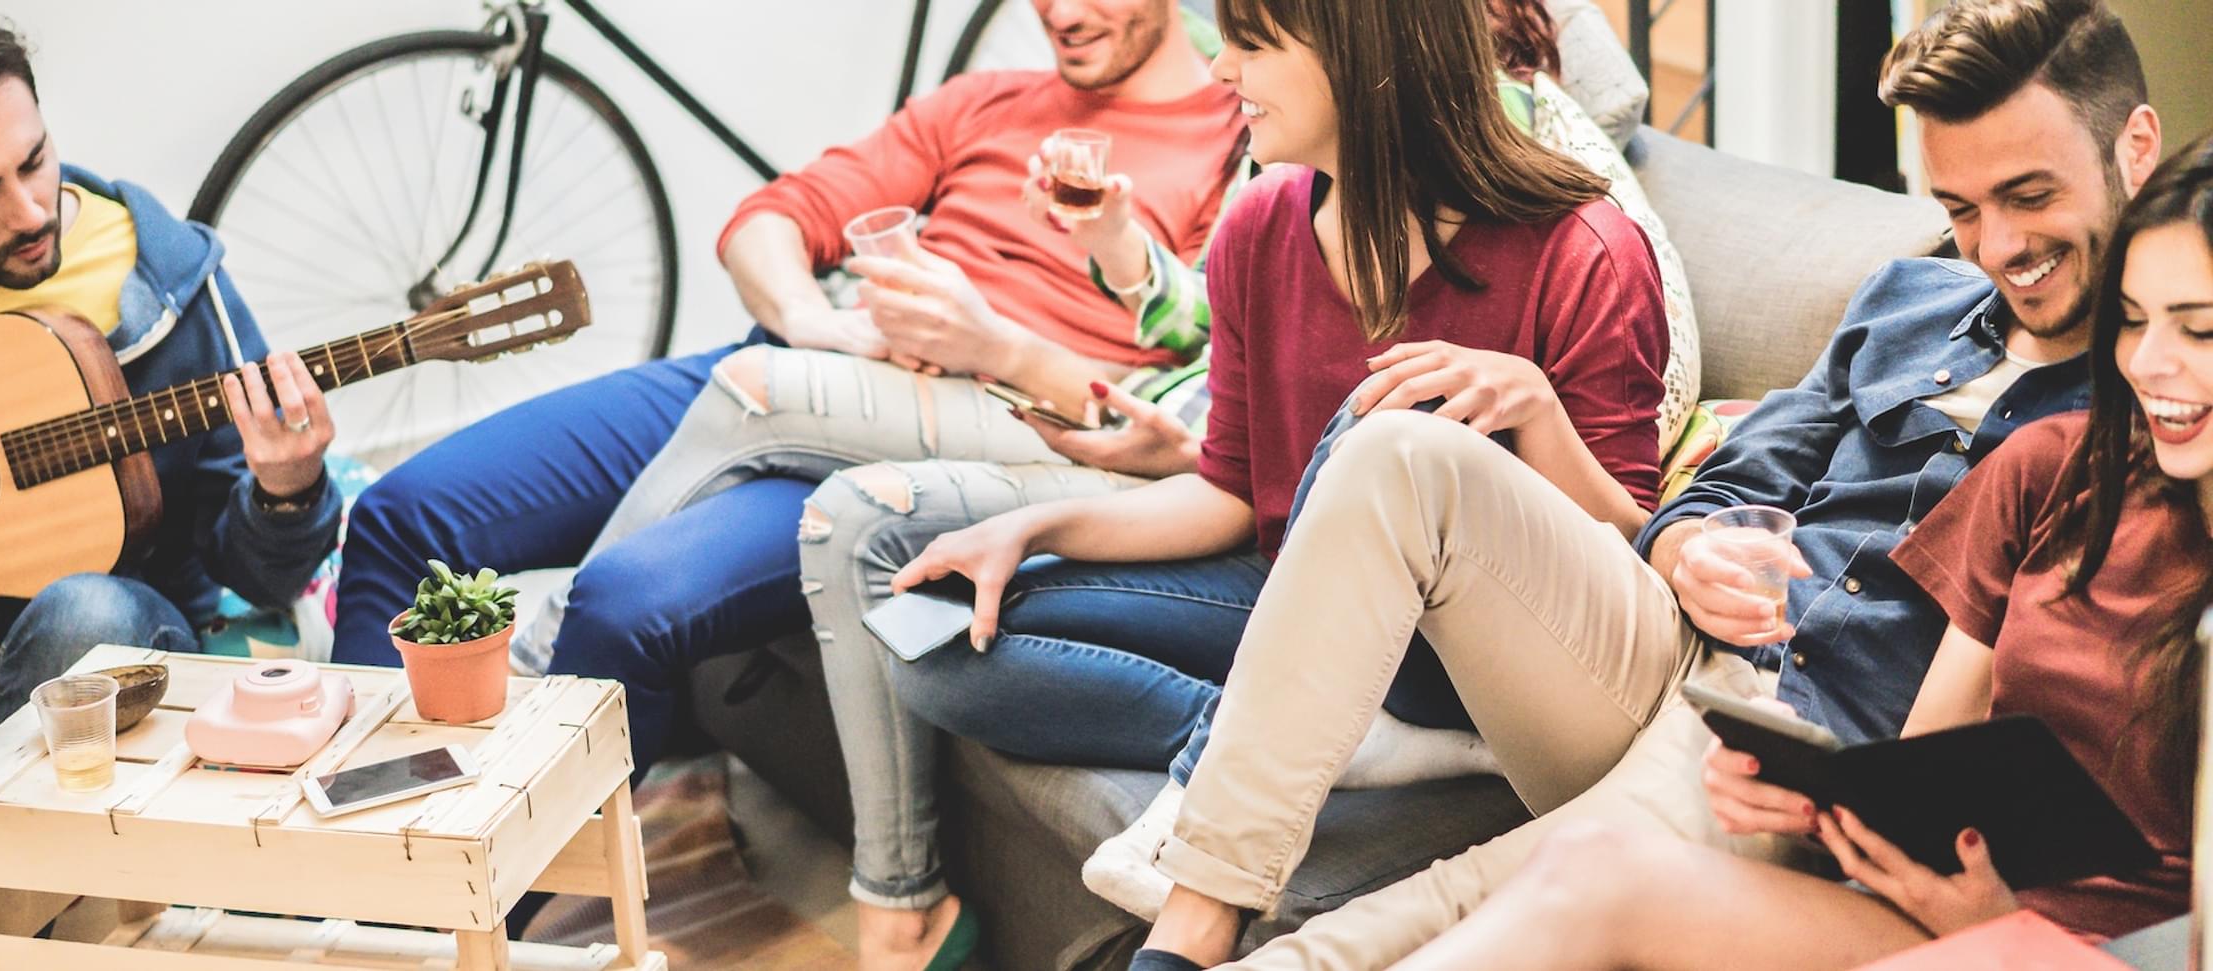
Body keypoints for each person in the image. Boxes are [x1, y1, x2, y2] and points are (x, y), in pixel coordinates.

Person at [1107, 1, 2163, 967]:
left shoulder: (2155, 406)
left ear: (2136, 148)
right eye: (1962, 208)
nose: (2002, 247)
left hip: (1809, 757)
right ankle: (1199, 905)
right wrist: (1685, 547)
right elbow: (1729, 482)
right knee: (1397, 450)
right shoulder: (1907, 300)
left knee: (1446, 905)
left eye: (2030, 196)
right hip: (1675, 653)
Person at [799, 1, 1692, 965]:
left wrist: (1536, 412)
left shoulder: (1584, 247)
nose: (1219, 70)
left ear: (1363, 57)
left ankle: (1291, 752)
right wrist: (1035, 528)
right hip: (1293, 598)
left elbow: (1630, 557)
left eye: (1252, 45)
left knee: (1376, 426)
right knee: (933, 638)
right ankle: (1326, 740)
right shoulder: (1262, 223)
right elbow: (1229, 489)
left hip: (1472, 655)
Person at [327, 0, 1246, 780]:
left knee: (616, 608)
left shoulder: (1234, 140)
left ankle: (474, 890)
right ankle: (353, 837)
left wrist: (995, 346)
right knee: (402, 513)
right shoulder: (987, 100)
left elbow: (1189, 409)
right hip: (785, 368)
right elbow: (772, 217)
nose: (1063, 12)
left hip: (942, 431)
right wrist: (816, 321)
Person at [1397, 130, 2212, 970]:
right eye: (2134, 320)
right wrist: (1812, 803)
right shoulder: (2048, 470)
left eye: (2201, 331)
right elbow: (1919, 778)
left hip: (2087, 952)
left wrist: (1993, 923)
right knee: (1588, 869)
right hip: (1928, 910)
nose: (2150, 363)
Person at [0, 10, 339, 859]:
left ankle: (0, 893)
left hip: (100, 634)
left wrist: (289, 490)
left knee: (79, 611)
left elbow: (256, 571)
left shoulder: (166, 289)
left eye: (33, 161)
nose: (28, 210)